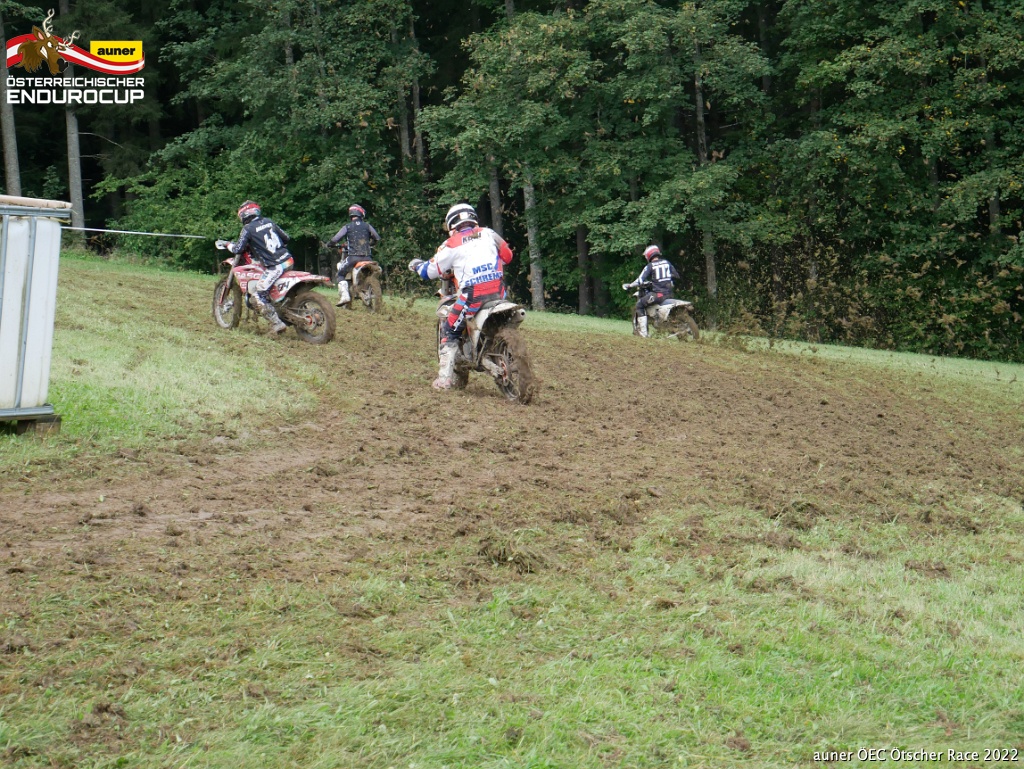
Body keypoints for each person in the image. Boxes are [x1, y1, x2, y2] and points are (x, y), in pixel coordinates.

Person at [408, 203, 514, 390]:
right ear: (473, 219)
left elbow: (429, 271)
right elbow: (508, 256)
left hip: (473, 296)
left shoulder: (450, 244)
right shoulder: (489, 233)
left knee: (449, 329)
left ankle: (444, 380)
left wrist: (417, 266)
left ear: (451, 224)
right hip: (499, 293)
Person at [218, 201, 293, 334]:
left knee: (258, 295)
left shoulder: (248, 229)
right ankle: (279, 306)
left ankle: (277, 324)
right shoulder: (269, 221)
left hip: (275, 266)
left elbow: (237, 249)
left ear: (244, 214)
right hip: (288, 261)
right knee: (270, 286)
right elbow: (286, 238)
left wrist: (227, 244)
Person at [326, 204, 381, 307]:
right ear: (361, 213)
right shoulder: (367, 226)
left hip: (353, 258)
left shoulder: (347, 226)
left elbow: (335, 239)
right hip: (367, 257)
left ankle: (345, 296)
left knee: (340, 274)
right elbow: (377, 237)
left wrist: (330, 244)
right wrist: (370, 243)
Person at [622, 245, 681, 338]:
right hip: (669, 294)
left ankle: (644, 333)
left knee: (639, 305)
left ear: (648, 255)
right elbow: (676, 275)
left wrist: (629, 285)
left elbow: (640, 280)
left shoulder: (650, 266)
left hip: (658, 294)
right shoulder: (667, 262)